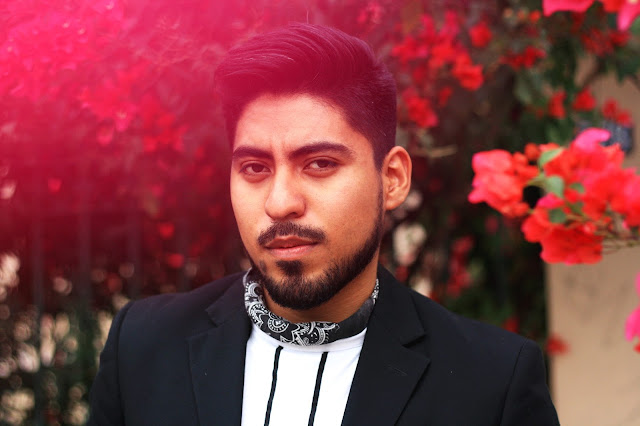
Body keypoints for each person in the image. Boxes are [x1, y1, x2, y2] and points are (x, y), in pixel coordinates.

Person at [88, 23, 560, 425]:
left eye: (319, 164)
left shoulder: (491, 382)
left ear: (392, 179)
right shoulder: (144, 347)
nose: (280, 203)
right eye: (254, 168)